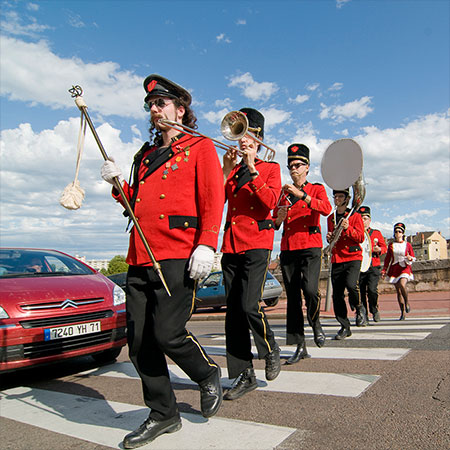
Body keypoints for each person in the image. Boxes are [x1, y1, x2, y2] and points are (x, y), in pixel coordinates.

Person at [101, 74, 224, 449]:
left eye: (162, 104)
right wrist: (118, 185)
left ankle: (206, 373)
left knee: (168, 332)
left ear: (180, 109)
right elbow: (137, 205)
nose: (155, 110)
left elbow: (212, 198)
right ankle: (163, 414)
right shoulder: (145, 154)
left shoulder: (200, 147)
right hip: (141, 253)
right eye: (151, 106)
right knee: (139, 342)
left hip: (177, 252)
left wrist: (206, 244)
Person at [221, 108, 282, 400]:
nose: (241, 140)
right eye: (239, 133)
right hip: (231, 245)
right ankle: (244, 374)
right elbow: (215, 200)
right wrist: (224, 169)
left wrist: (253, 168)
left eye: (246, 133)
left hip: (257, 241)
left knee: (248, 305)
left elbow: (270, 200)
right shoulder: (231, 170)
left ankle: (270, 348)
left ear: (257, 137)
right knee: (232, 314)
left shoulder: (270, 168)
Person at [273, 143, 332, 364]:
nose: (293, 169)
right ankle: (300, 346)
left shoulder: (316, 189)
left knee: (310, 290)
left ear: (307, 167)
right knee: (293, 300)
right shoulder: (283, 194)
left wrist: (302, 195)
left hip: (310, 246)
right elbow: (275, 223)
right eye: (290, 166)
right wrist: (278, 218)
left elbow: (326, 209)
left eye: (298, 165)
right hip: (288, 249)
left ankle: (316, 323)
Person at [326, 188, 367, 339]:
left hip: (353, 256)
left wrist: (348, 228)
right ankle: (344, 326)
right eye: (335, 196)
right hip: (337, 258)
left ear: (346, 198)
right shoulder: (331, 218)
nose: (337, 198)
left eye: (340, 196)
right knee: (337, 295)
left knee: (351, 285)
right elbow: (332, 238)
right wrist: (329, 237)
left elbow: (361, 237)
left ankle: (359, 306)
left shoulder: (355, 216)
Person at [357, 206, 387, 322]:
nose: (363, 221)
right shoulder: (356, 233)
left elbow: (384, 248)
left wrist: (379, 249)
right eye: (361, 218)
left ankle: (374, 308)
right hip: (360, 266)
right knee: (361, 291)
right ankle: (363, 314)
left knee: (372, 290)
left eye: (365, 218)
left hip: (373, 265)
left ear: (369, 220)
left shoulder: (376, 233)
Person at [381, 222, 415, 320]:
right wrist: (384, 270)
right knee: (398, 291)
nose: (397, 233)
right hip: (394, 268)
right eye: (396, 231)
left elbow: (413, 257)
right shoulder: (391, 245)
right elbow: (387, 259)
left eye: (399, 232)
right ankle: (402, 312)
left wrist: (410, 258)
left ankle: (407, 302)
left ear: (403, 233)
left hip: (404, 267)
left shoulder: (407, 244)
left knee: (402, 284)